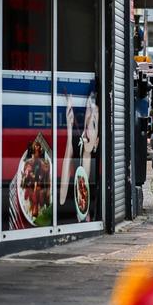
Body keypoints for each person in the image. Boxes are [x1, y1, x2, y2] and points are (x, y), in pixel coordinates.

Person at [58, 87, 100, 220]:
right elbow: (62, 199)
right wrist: (69, 128)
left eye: (93, 124)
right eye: (88, 115)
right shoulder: (77, 149)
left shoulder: (99, 175)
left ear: (97, 143)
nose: (87, 128)